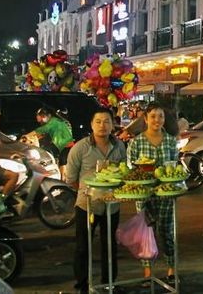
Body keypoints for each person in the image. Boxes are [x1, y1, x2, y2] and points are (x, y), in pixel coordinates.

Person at [66, 108, 127, 294]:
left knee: (110, 246)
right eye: (98, 121)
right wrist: (89, 191)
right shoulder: (80, 148)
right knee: (83, 247)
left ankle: (109, 283)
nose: (102, 125)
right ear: (92, 125)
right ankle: (82, 285)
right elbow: (71, 179)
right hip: (87, 206)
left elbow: (123, 172)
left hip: (112, 205)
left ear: (112, 124)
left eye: (107, 121)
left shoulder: (119, 146)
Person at [126, 102, 178, 282]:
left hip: (166, 193)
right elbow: (131, 168)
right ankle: (148, 273)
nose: (157, 120)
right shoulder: (136, 142)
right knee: (146, 234)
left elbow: (174, 166)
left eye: (161, 116)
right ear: (146, 119)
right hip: (143, 193)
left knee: (167, 232)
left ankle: (171, 270)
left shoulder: (170, 140)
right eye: (153, 116)